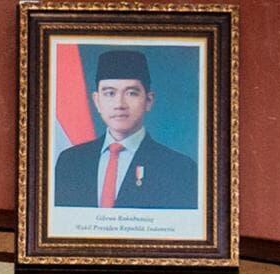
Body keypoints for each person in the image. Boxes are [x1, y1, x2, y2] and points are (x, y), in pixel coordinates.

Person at [51, 49, 196, 213]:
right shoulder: (70, 161)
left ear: (148, 100)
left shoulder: (179, 168)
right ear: (97, 101)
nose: (119, 104)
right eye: (110, 93)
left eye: (131, 93)